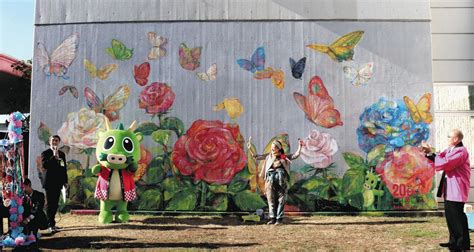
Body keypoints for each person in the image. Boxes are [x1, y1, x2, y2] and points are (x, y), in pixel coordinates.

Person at [420, 129, 470, 250]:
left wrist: (432, 154)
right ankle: (453, 241)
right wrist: (428, 152)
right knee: (450, 216)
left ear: (456, 139)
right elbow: (440, 156)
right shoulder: (450, 149)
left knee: (457, 216)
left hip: (457, 187)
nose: (447, 138)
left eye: (449, 136)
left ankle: (462, 243)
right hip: (449, 187)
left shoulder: (461, 151)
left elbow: (446, 163)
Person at [247, 137, 303, 225]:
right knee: (271, 198)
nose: (273, 149)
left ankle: (279, 219)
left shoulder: (283, 156)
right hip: (270, 180)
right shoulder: (269, 156)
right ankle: (272, 218)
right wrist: (250, 148)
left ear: (279, 148)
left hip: (281, 180)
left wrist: (300, 146)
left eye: (275, 147)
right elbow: (256, 157)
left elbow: (295, 155)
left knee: (281, 199)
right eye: (272, 147)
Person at [41, 135, 68, 233]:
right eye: (53, 140)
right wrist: (54, 155)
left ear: (59, 142)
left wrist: (65, 181)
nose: (55, 142)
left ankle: (53, 224)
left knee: (55, 204)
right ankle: (49, 225)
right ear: (50, 142)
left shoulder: (62, 154)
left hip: (58, 183)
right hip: (49, 183)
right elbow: (45, 165)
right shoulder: (46, 153)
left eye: (56, 140)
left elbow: (63, 168)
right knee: (50, 204)